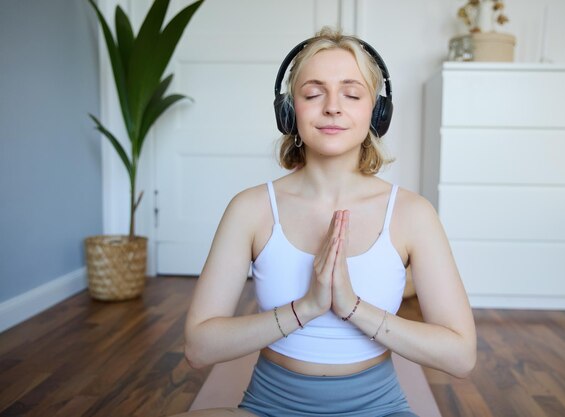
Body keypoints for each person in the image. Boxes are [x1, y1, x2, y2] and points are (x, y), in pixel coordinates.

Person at [175, 27, 476, 417]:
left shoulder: (412, 214)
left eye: (351, 94)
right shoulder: (250, 209)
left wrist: (352, 308)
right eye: (314, 93)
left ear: (376, 112)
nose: (333, 107)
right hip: (270, 408)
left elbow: (461, 357)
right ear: (289, 110)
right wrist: (306, 308)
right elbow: (199, 348)